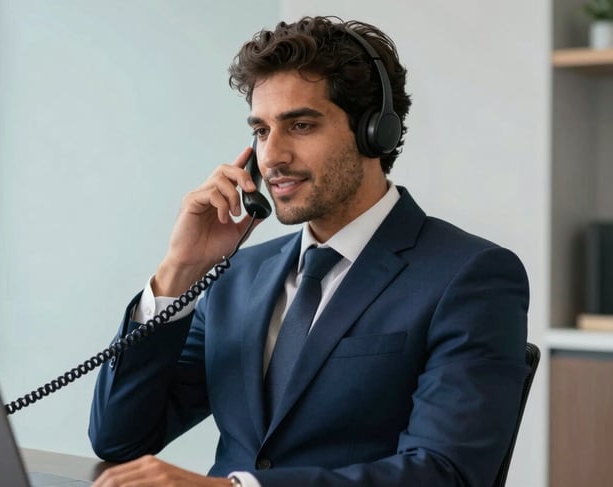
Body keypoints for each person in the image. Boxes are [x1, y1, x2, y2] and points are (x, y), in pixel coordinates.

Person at [88, 16, 529, 487]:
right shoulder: (237, 275)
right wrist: (179, 269)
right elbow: (120, 440)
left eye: (299, 125)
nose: (271, 156)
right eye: (260, 131)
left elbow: (446, 473)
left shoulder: (469, 275)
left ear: (374, 132)